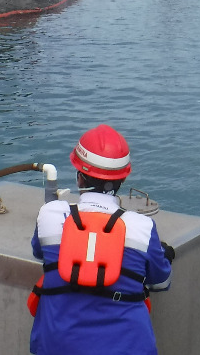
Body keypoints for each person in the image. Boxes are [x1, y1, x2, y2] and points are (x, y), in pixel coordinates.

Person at [29, 124, 173, 355]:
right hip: (128, 347)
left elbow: (39, 253)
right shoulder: (142, 228)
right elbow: (160, 283)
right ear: (121, 180)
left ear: (79, 178)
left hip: (57, 344)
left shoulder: (50, 214)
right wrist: (164, 255)